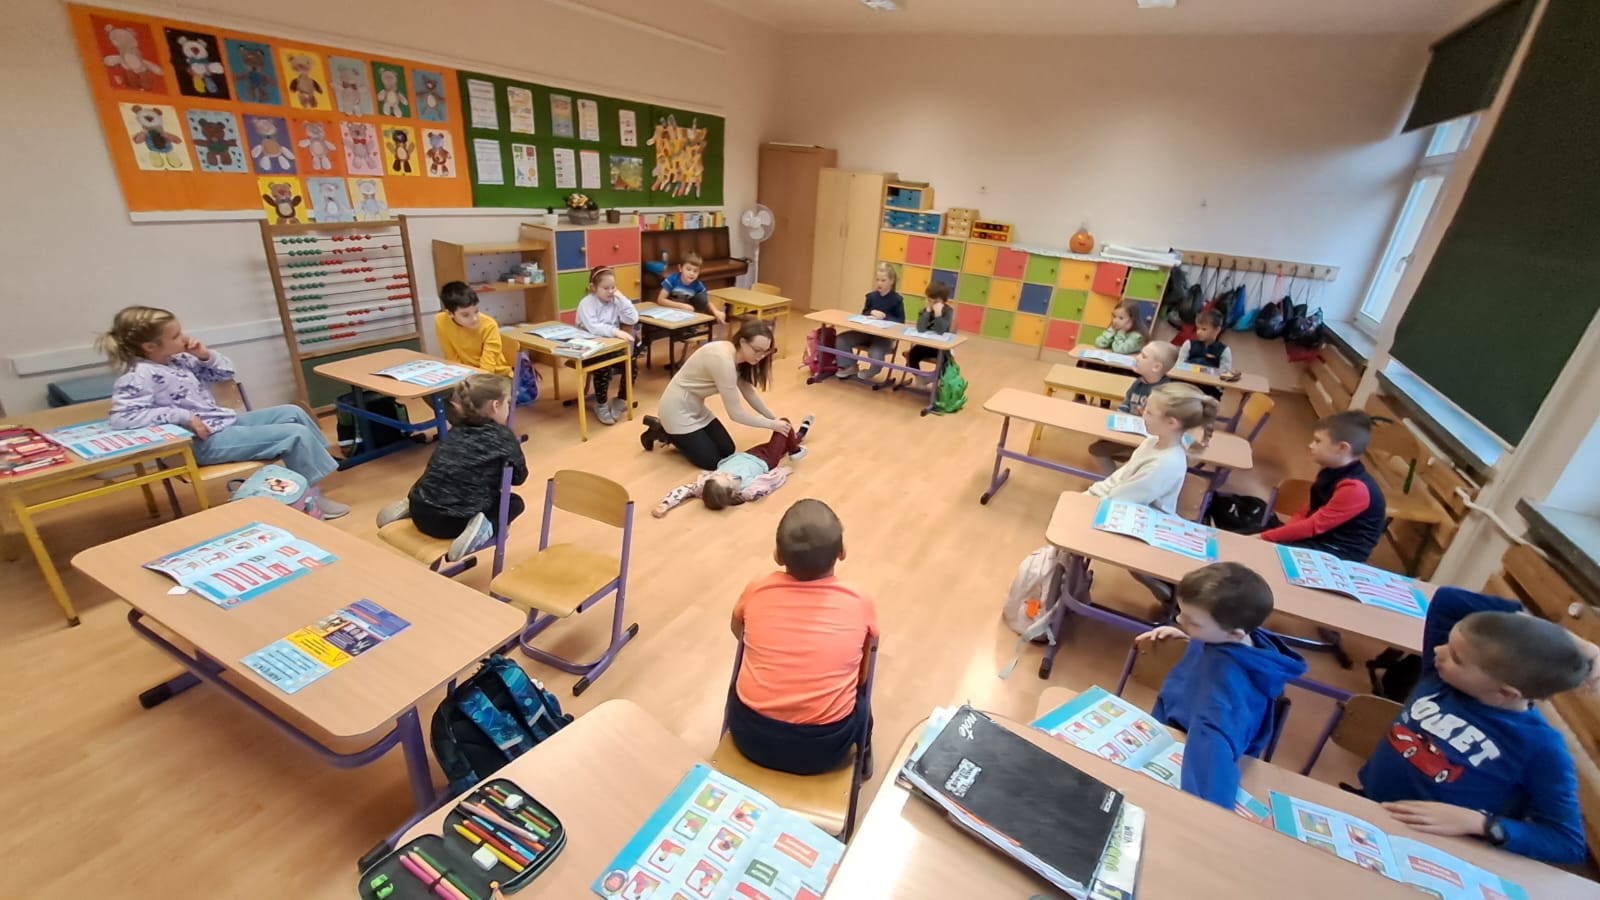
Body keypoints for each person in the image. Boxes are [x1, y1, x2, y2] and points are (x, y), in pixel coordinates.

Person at [1357, 587, 1597, 864]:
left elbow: (1566, 842)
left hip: (1430, 852)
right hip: (1367, 811)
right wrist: (1579, 646)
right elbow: (1448, 600)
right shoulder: (1442, 677)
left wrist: (1479, 823)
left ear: (1507, 692)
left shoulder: (1541, 747)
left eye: (1456, 657)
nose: (1437, 650)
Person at [101, 305, 347, 519]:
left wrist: (204, 356)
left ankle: (315, 465)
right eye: (175, 336)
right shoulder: (138, 376)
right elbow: (122, 418)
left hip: (222, 423)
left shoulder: (179, 360)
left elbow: (225, 373)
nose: (184, 338)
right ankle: (307, 498)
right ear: (149, 347)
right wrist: (183, 417)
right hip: (200, 442)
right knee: (294, 434)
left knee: (292, 412)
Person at [1135, 563, 1307, 809]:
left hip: (1185, 739)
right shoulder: (1240, 638)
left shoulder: (1220, 699)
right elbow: (1214, 636)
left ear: (1234, 634)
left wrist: (1203, 811)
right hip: (1181, 719)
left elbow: (1210, 772)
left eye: (1192, 622)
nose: (1178, 619)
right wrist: (1191, 636)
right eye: (1182, 613)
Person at [728, 499, 878, 775]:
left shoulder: (758, 589)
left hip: (749, 736)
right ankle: (864, 752)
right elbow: (862, 675)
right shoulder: (859, 600)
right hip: (825, 749)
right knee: (860, 698)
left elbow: (739, 632)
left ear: (778, 555)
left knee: (742, 676)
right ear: (842, 552)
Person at [377, 374, 528, 561]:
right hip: (452, 523)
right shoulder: (503, 437)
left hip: (420, 512)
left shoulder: (455, 431)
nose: (509, 408)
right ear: (495, 406)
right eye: (508, 403)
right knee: (514, 502)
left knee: (443, 479)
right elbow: (519, 477)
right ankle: (483, 526)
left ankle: (411, 504)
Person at [640, 318, 789, 470]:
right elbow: (736, 414)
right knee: (712, 462)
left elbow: (748, 391)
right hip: (675, 411)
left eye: (765, 351)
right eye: (757, 350)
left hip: (696, 407)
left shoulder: (737, 357)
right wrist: (771, 425)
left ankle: (677, 435)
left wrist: (774, 419)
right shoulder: (723, 361)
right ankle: (662, 430)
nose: (761, 356)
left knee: (727, 450)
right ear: (743, 342)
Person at [1260, 411, 1386, 562]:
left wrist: (1263, 538)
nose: (1311, 445)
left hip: (1339, 553)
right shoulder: (1330, 470)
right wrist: (1278, 535)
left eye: (1318, 441)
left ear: (1342, 448)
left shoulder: (1355, 489)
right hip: (1321, 539)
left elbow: (1313, 526)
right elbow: (1307, 511)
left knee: (1266, 555)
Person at [1085, 382, 1218, 515]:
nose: (1142, 414)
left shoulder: (1164, 463)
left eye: (1149, 412)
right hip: (1115, 504)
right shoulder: (1152, 441)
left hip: (1126, 514)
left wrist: (1088, 501)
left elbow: (1122, 500)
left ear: (1171, 423)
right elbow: (1120, 478)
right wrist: (1092, 493)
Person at [652, 416, 814, 517]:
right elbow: (769, 483)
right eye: (727, 478)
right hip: (767, 458)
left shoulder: (706, 485)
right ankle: (795, 449)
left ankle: (799, 436)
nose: (726, 474)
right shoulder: (747, 488)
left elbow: (683, 491)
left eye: (719, 475)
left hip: (749, 453)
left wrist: (665, 505)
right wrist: (783, 472)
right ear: (733, 491)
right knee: (783, 424)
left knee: (783, 442)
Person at [1089, 341, 1178, 473]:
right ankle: (1114, 478)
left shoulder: (1164, 392)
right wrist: (1120, 415)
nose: (1137, 358)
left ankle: (1123, 477)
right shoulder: (1138, 383)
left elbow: (1162, 425)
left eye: (1143, 356)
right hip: (1129, 431)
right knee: (1097, 448)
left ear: (1156, 367)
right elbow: (1127, 402)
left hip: (1147, 441)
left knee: (1101, 450)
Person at [576, 266, 645, 426]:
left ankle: (620, 400)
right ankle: (600, 404)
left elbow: (633, 318)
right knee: (603, 366)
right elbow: (594, 327)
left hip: (611, 347)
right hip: (590, 350)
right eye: (605, 288)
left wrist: (622, 298)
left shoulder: (615, 300)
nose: (610, 291)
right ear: (593, 288)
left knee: (631, 365)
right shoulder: (587, 303)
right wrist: (615, 331)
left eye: (613, 287)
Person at [835, 264, 904, 380]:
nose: (879, 283)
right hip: (866, 333)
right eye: (877, 280)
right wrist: (870, 313)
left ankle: (872, 371)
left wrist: (885, 317)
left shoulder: (897, 300)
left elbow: (901, 321)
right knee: (841, 339)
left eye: (883, 280)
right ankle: (850, 366)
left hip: (883, 337)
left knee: (875, 353)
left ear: (891, 281)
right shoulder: (871, 297)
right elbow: (864, 313)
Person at [434, 281, 512, 376]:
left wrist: (472, 380)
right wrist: (462, 376)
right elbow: (452, 358)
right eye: (465, 315)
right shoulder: (441, 321)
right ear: (450, 314)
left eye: (476, 311)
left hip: (496, 376)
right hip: (467, 374)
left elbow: (488, 367)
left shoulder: (489, 325)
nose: (474, 319)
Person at [1178, 309, 1234, 400]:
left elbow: (1225, 375)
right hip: (1186, 386)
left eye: (1204, 329)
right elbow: (1178, 367)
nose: (1199, 332)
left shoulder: (1224, 350)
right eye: (1197, 328)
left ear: (1217, 330)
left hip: (1209, 391)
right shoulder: (1188, 344)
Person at [655, 251, 724, 324]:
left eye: (695, 271)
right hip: (670, 310)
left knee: (702, 297)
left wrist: (716, 311)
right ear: (680, 268)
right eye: (688, 269)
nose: (692, 273)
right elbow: (660, 300)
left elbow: (706, 302)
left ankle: (697, 324)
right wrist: (682, 306)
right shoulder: (672, 279)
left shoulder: (698, 285)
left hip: (686, 314)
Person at [905, 280, 955, 372]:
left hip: (941, 348)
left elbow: (940, 330)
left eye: (936, 302)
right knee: (912, 354)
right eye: (929, 301)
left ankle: (936, 379)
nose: (932, 304)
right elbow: (920, 329)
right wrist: (927, 312)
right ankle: (919, 377)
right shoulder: (925, 311)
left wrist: (938, 314)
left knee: (945, 362)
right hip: (926, 345)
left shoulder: (948, 311)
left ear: (943, 301)